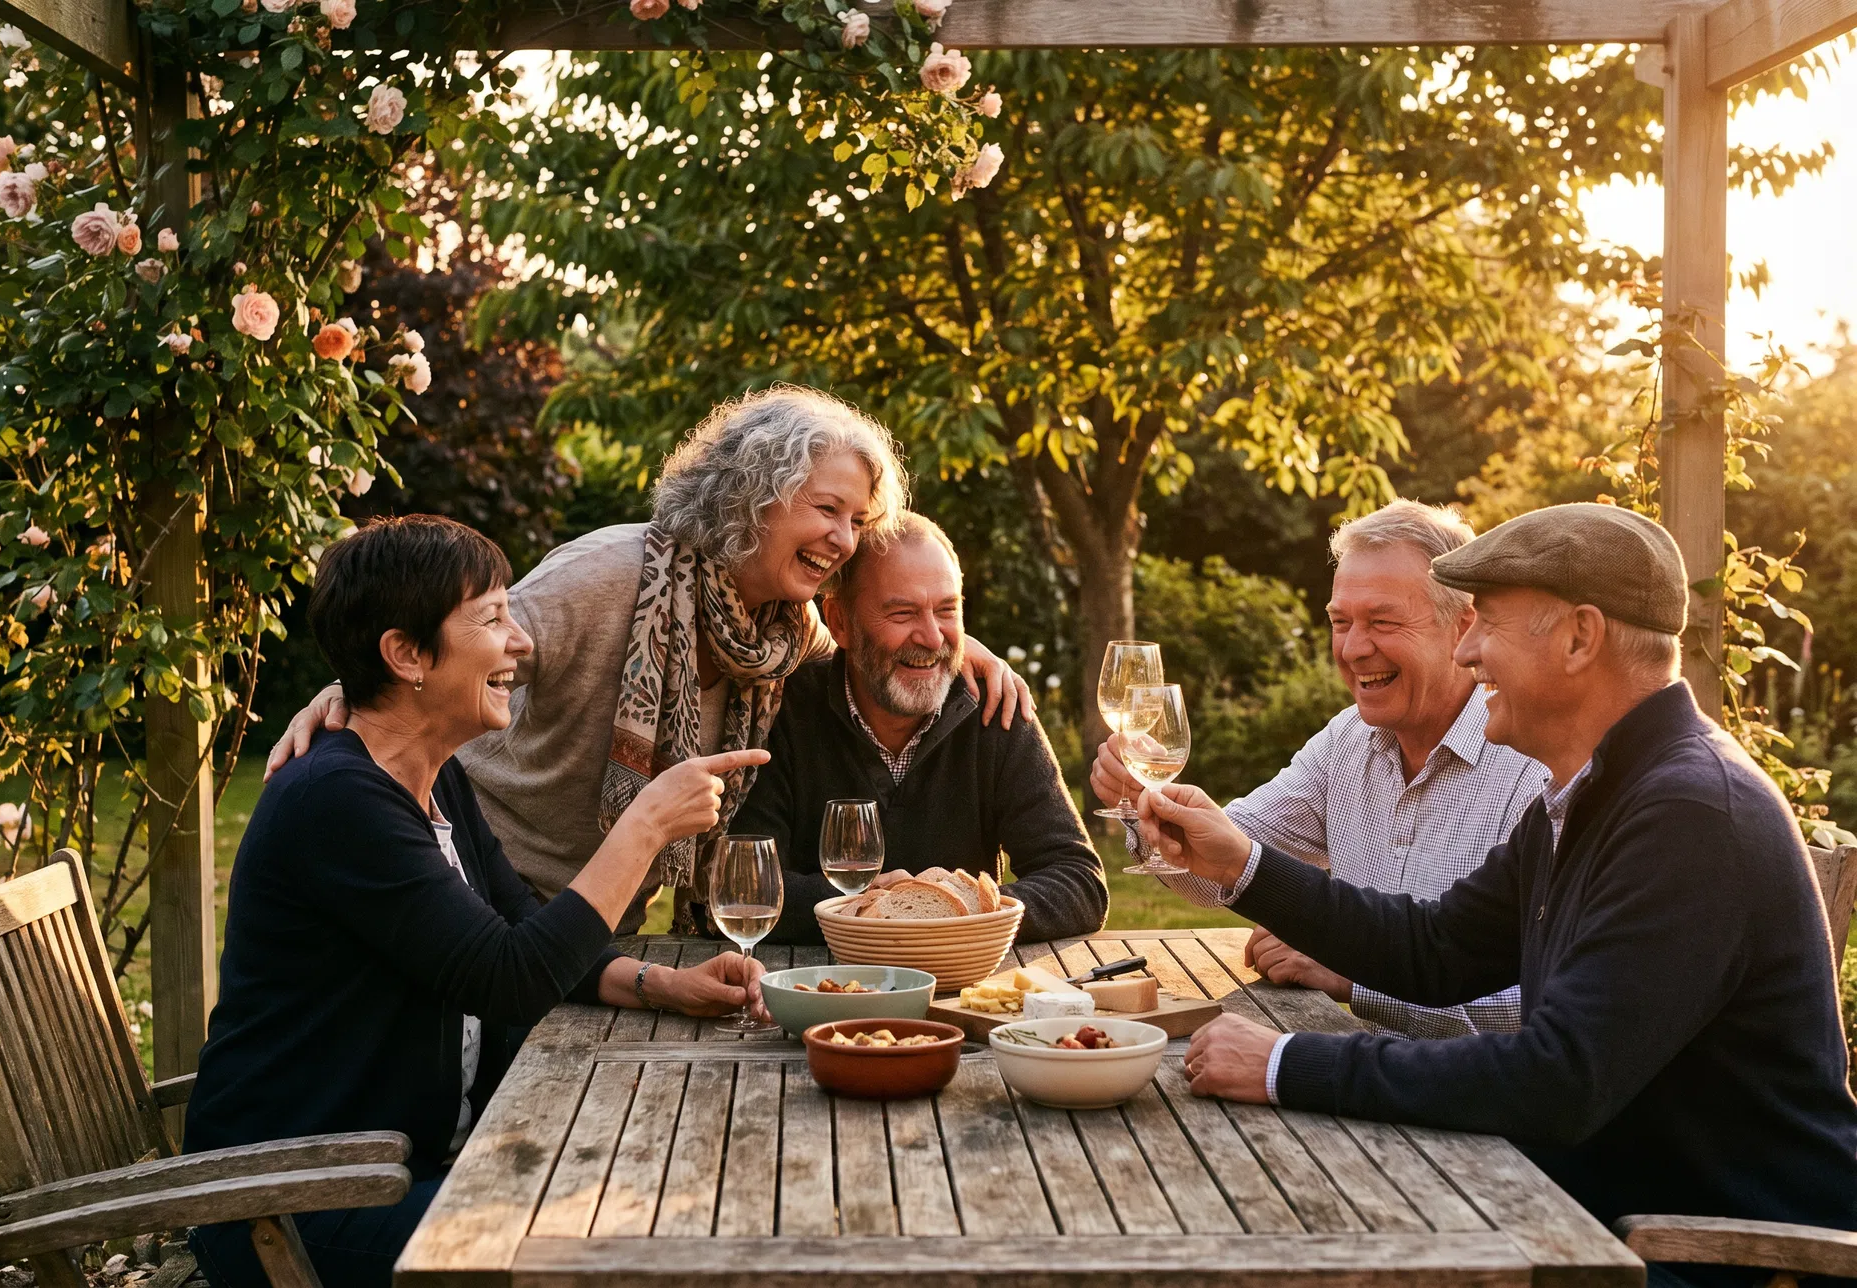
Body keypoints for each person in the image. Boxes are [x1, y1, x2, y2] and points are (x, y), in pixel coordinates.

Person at [1138, 503, 1857, 1288]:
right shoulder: (1590, 792)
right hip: (1593, 1210)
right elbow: (1435, 949)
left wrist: (1288, 1063)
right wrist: (1243, 864)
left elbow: (1557, 1081)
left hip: (1722, 1254)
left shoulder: (1688, 813)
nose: (1470, 650)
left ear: (1581, 638)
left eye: (1489, 625)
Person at [186, 516, 769, 1288]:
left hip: (401, 1171)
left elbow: (521, 924)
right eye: (492, 618)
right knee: (626, 1244)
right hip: (294, 1205)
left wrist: (658, 983)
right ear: (406, 655)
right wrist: (646, 824)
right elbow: (509, 976)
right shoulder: (336, 801)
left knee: (663, 1191)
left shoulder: (431, 773)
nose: (520, 641)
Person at [266, 387, 1033, 935]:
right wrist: (343, 692)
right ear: (751, 497)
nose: (844, 538)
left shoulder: (784, 631)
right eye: (826, 509)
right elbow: (459, 648)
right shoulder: (609, 575)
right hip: (482, 890)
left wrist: (964, 645)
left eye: (857, 519)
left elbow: (875, 644)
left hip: (606, 919)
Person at [1091, 500, 1547, 1036]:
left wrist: (1355, 976)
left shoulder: (1534, 765)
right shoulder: (1347, 741)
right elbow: (1229, 864)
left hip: (1474, 1108)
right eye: (1340, 622)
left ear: (1462, 627)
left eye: (1382, 621)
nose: (1353, 648)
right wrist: (1146, 808)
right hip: (1363, 1084)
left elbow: (1542, 1006)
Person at [731, 512, 1108, 944]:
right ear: (839, 623)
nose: (931, 638)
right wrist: (872, 910)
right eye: (903, 613)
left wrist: (954, 913)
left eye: (947, 610)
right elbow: (743, 886)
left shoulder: (994, 710)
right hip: (813, 991)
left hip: (964, 991)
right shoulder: (782, 710)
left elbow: (1081, 883)